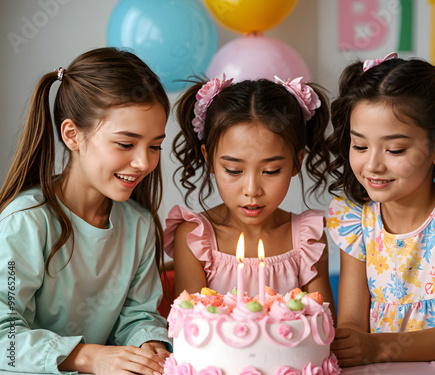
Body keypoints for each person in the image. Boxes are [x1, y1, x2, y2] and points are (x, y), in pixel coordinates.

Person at [0, 47, 172, 375]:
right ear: (72, 135)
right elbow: (4, 340)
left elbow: (139, 316)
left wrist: (148, 345)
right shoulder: (26, 223)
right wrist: (88, 356)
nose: (143, 162)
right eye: (125, 144)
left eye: (154, 146)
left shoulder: (139, 225)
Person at [326, 52, 435, 367]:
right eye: (360, 146)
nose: (373, 165)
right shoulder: (355, 219)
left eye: (395, 149)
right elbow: (351, 323)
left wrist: (378, 348)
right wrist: (353, 345)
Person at [163, 75, 336, 314]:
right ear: (208, 159)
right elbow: (191, 328)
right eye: (234, 170)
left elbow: (324, 325)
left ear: (297, 163)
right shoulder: (195, 238)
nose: (252, 190)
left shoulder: (307, 239)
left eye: (271, 170)